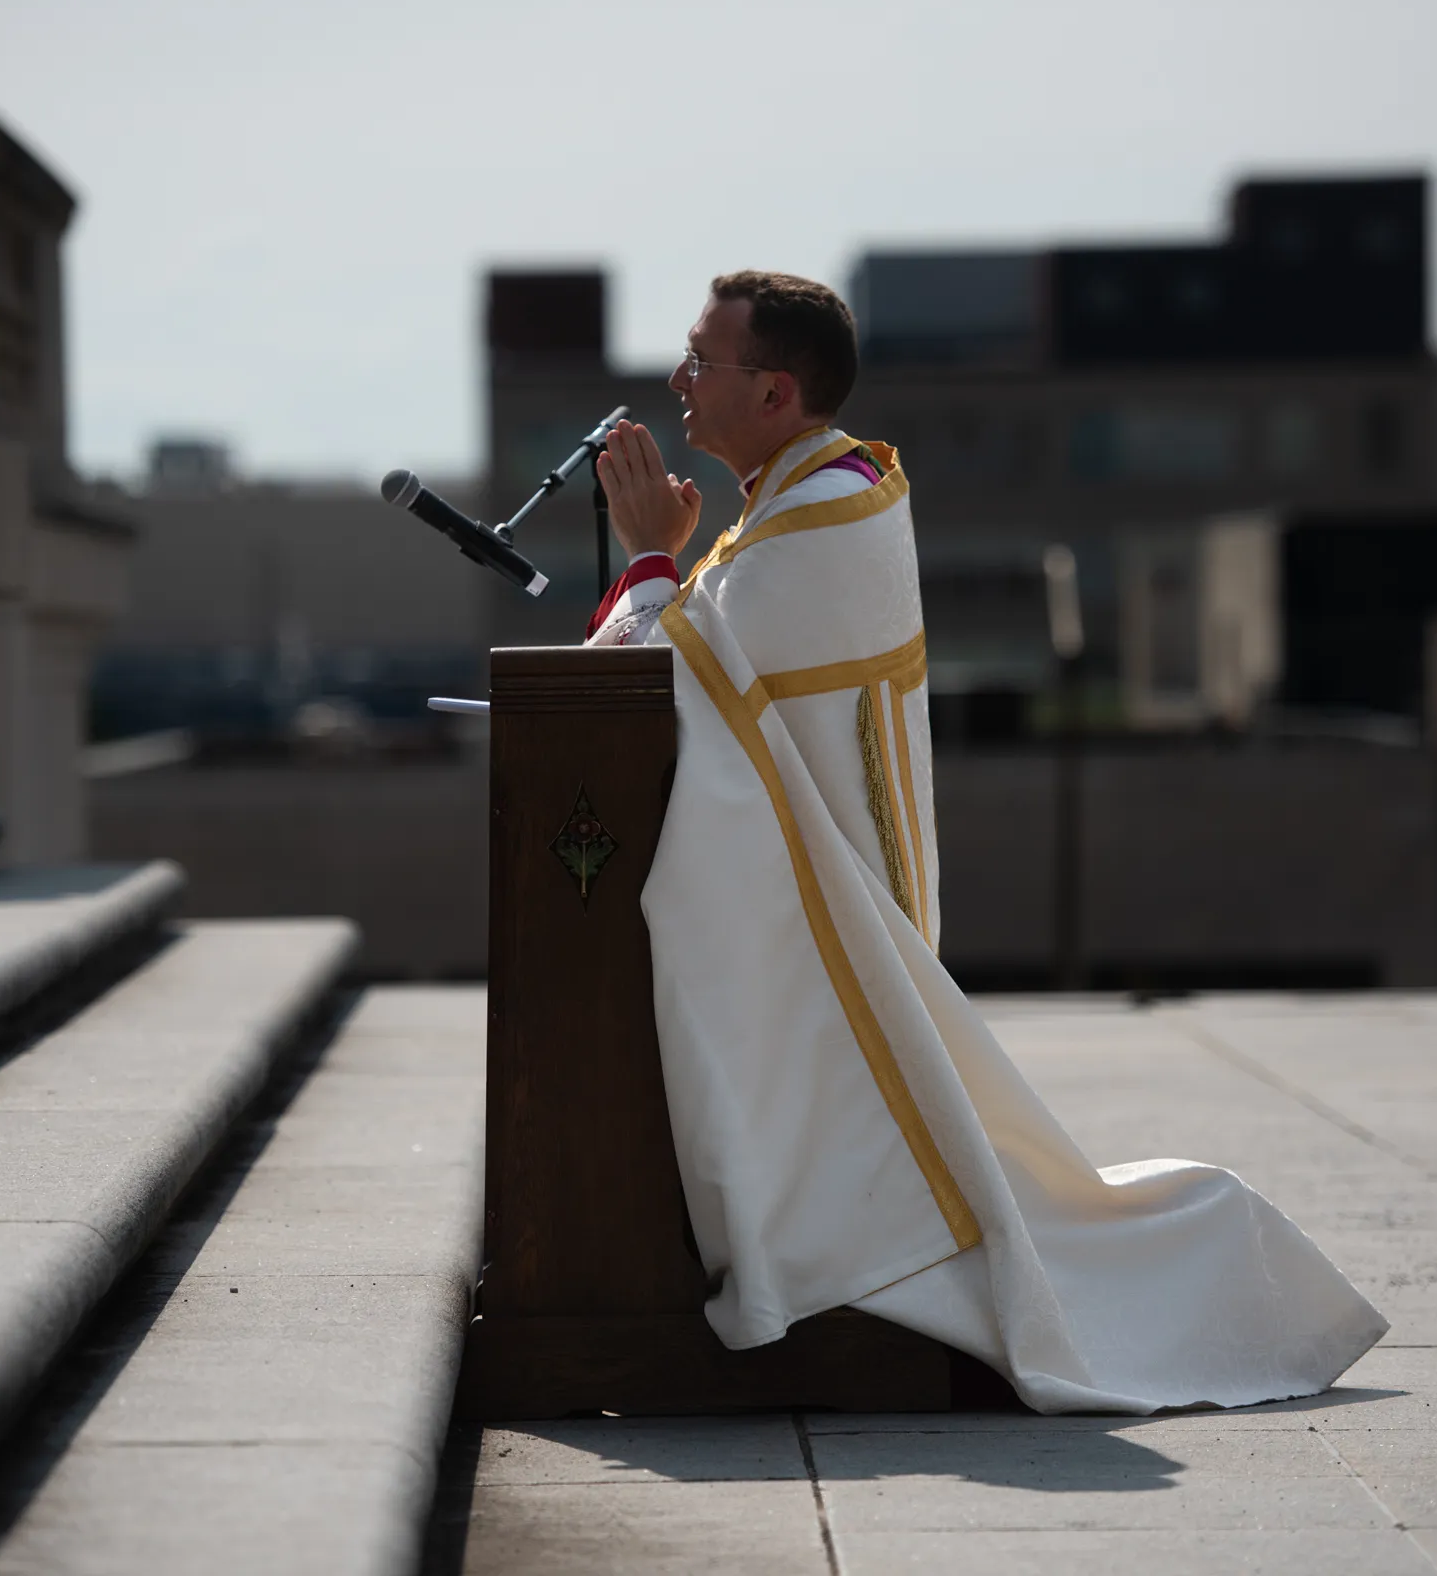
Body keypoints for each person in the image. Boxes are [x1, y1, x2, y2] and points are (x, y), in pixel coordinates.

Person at [584, 269, 1386, 1413]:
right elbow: (674, 676)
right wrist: (664, 560)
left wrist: (653, 552)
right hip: (797, 890)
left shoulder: (830, 512)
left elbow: (669, 676)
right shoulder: (789, 501)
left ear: (774, 391)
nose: (677, 379)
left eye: (700, 360)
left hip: (826, 905)